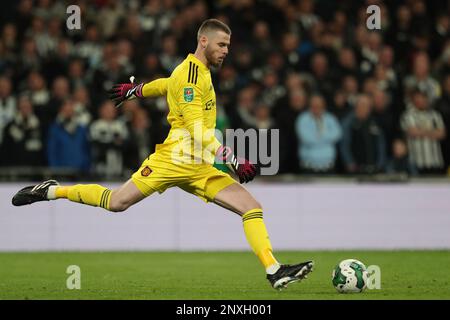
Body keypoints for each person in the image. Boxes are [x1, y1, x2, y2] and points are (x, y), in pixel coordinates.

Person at [11, 19, 313, 290]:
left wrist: (137, 90)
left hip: (198, 165)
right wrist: (232, 159)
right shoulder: (192, 76)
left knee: (251, 207)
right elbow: (196, 130)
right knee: (117, 203)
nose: (226, 51)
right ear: (203, 41)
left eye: (228, 46)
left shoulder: (193, 72)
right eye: (221, 44)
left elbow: (166, 85)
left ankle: (273, 270)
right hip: (173, 160)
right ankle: (53, 190)